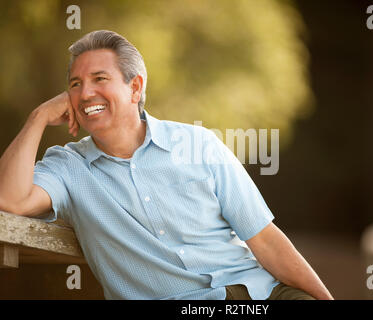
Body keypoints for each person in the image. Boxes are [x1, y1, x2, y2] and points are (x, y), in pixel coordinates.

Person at [0, 30, 333, 300]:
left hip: (262, 294)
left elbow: (265, 239)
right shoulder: (68, 167)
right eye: (75, 84)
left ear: (135, 87)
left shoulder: (198, 143)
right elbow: (9, 199)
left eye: (100, 78)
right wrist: (38, 117)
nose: (85, 93)